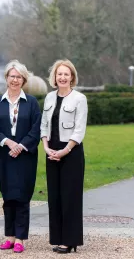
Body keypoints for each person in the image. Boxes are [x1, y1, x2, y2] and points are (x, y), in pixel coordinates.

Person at [0, 60, 41, 254]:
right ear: (6, 78)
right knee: (8, 197)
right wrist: (8, 143)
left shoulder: (32, 103)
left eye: (18, 77)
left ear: (24, 79)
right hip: (3, 157)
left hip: (25, 157)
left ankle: (20, 239)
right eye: (12, 76)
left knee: (22, 197)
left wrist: (21, 146)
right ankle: (8, 237)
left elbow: (36, 129)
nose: (15, 80)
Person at [40, 59, 88, 254]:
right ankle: (58, 238)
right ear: (54, 77)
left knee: (70, 197)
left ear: (72, 77)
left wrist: (65, 151)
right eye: (59, 74)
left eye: (66, 74)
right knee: (55, 197)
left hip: (71, 152)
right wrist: (46, 147)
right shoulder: (49, 98)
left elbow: (79, 129)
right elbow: (44, 125)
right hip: (51, 151)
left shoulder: (79, 99)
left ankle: (70, 240)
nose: (62, 77)